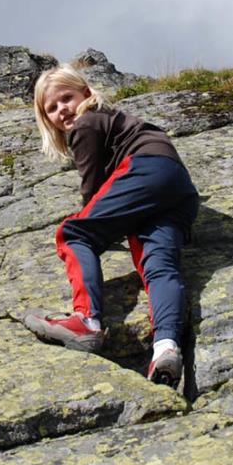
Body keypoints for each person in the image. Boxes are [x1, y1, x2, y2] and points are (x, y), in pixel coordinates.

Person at [23, 64, 200, 388]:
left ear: (86, 94)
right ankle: (166, 348)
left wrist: (96, 225)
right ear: (45, 118)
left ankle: (86, 321)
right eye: (52, 107)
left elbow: (93, 191)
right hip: (177, 187)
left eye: (67, 98)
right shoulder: (114, 120)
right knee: (158, 265)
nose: (62, 109)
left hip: (144, 168)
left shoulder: (87, 122)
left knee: (75, 232)